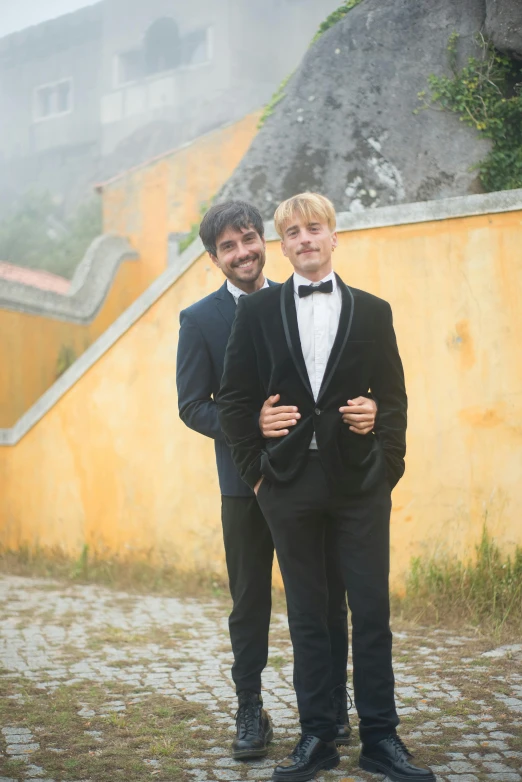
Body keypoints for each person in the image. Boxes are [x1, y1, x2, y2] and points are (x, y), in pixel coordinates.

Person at [217, 193, 435, 782]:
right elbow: (234, 398)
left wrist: (386, 463)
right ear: (282, 245)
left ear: (334, 237)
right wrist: (257, 467)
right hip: (286, 482)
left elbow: (392, 399)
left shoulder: (373, 311)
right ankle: (315, 737)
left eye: (315, 229)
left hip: (359, 482)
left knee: (370, 610)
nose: (305, 239)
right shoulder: (257, 314)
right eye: (292, 232)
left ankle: (382, 740)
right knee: (309, 615)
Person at [176, 201, 378, 761]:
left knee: (324, 595)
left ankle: (332, 711)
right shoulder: (198, 320)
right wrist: (248, 426)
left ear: (265, 241)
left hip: (315, 481)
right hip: (247, 485)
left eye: (248, 239)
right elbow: (192, 405)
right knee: (250, 600)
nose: (241, 252)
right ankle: (250, 707)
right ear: (213, 258)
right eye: (227, 247)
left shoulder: (299, 299)